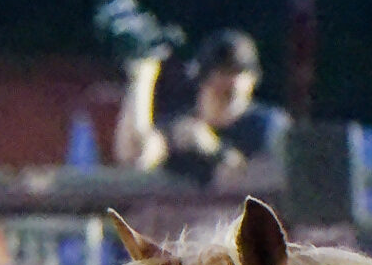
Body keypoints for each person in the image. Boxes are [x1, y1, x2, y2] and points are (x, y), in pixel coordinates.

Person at [113, 28, 289, 188]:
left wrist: (213, 149)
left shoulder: (268, 126)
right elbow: (136, 157)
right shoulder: (181, 125)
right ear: (202, 79)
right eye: (225, 72)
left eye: (243, 73)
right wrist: (144, 76)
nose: (236, 83)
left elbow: (257, 185)